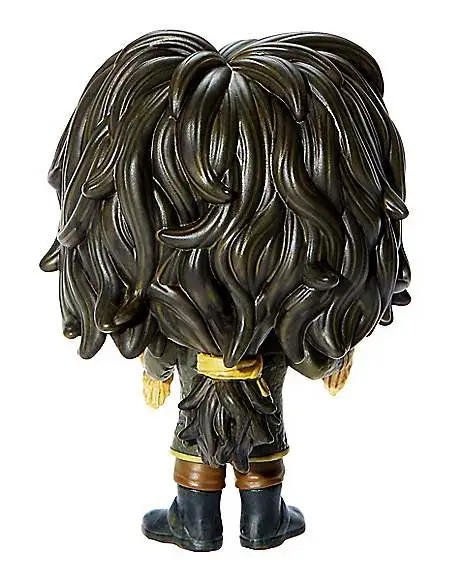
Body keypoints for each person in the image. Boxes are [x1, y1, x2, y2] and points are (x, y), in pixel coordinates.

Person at [40, 29, 411, 551]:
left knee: (196, 435)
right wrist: (335, 349)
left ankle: (199, 523)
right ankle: (262, 522)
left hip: (204, 367)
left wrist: (156, 368)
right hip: (265, 367)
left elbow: (157, 346)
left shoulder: (180, 303)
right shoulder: (289, 306)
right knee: (262, 433)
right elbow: (312, 352)